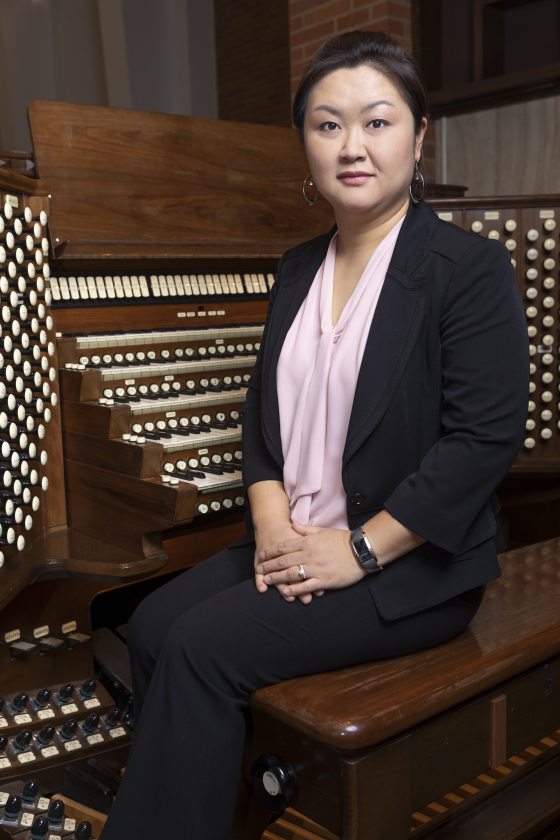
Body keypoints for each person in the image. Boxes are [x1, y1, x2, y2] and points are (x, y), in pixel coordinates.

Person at [100, 30, 528, 840]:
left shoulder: (467, 270)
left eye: (376, 121)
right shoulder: (298, 267)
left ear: (418, 134)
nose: (352, 146)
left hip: (409, 566)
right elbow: (262, 418)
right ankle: (217, 812)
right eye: (328, 125)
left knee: (200, 647)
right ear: (306, 144)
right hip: (295, 536)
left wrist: (358, 551)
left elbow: (482, 442)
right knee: (150, 626)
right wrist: (269, 521)